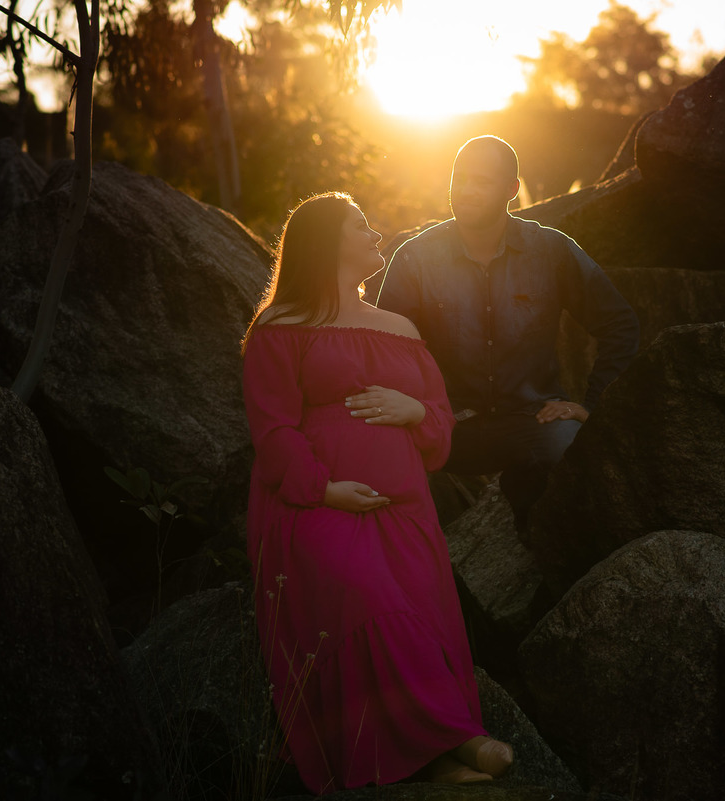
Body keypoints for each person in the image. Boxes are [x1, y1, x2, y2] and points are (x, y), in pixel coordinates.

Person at [240, 192, 514, 793]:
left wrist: (413, 407)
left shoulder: (400, 328)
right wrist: (324, 489)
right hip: (312, 505)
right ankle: (462, 740)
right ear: (324, 244)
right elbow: (273, 427)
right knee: (370, 598)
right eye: (360, 225)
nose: (375, 232)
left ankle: (440, 761)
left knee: (417, 606)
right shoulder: (280, 328)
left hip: (405, 506)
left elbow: (439, 420)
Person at [377, 135, 640, 532]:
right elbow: (381, 353)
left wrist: (593, 406)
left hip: (532, 420)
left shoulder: (550, 251)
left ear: (511, 190)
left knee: (581, 453)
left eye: (481, 181)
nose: (465, 190)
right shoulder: (415, 258)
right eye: (459, 178)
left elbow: (620, 323)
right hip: (443, 424)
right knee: (377, 462)